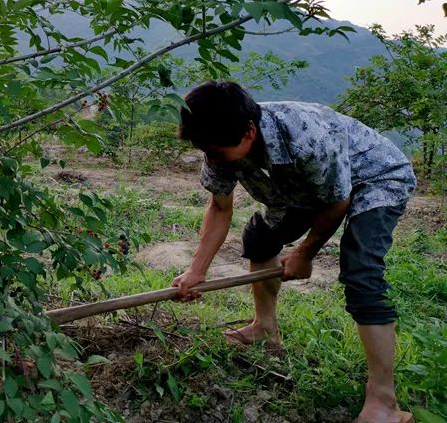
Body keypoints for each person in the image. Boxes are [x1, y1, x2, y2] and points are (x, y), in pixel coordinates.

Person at [171, 80, 416, 423]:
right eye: (204, 149)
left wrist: (306, 252)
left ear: (249, 132)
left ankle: (384, 404)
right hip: (307, 188)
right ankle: (265, 329)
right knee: (260, 239)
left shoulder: (304, 136)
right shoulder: (219, 142)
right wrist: (197, 270)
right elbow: (220, 208)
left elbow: (337, 200)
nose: (210, 158)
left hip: (373, 177)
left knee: (361, 271)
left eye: (216, 150)